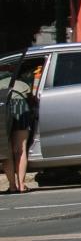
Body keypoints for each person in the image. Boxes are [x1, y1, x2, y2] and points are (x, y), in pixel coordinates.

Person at [4, 57, 43, 195]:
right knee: (20, 150)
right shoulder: (22, 83)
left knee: (6, 151)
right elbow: (32, 99)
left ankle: (12, 186)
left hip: (3, 109)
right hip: (21, 107)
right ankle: (21, 185)